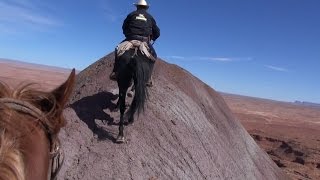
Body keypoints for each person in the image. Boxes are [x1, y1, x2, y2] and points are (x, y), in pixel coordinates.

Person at [110, 0, 160, 86]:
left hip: (130, 39)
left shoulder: (131, 15)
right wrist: (153, 38)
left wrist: (128, 35)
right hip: (144, 41)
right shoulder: (150, 17)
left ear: (137, 6)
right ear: (146, 8)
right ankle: (147, 78)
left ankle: (115, 72)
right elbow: (157, 32)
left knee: (117, 49)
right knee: (154, 56)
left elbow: (124, 27)